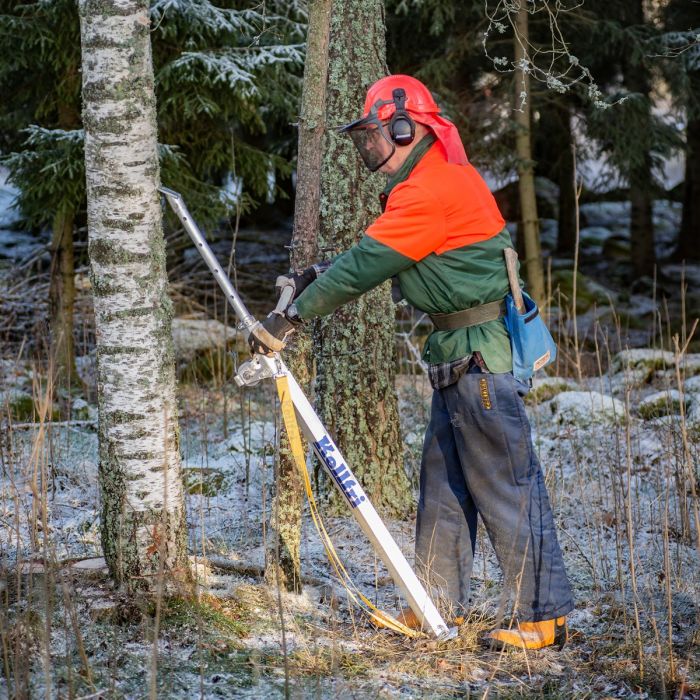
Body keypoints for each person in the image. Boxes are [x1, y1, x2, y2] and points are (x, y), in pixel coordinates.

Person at [249, 75, 574, 650]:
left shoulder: (432, 186)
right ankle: (433, 603)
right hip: (458, 355)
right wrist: (316, 275)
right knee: (444, 486)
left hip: (480, 358)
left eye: (372, 134)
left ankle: (543, 616)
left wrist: (292, 315)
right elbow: (376, 253)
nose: (366, 147)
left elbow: (371, 261)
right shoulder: (427, 185)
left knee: (505, 482)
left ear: (406, 127)